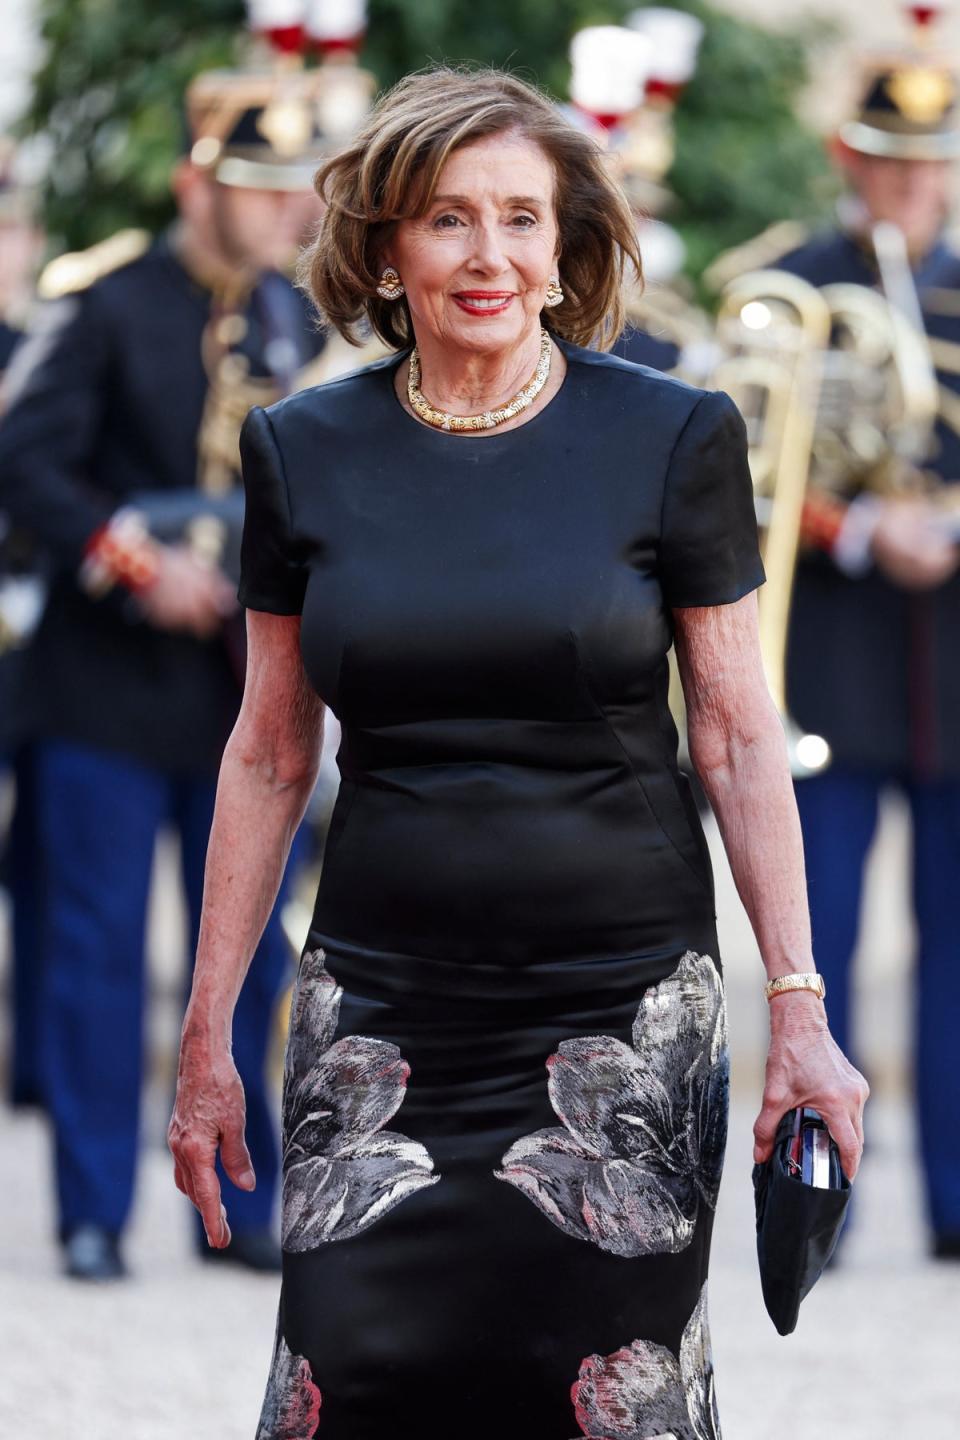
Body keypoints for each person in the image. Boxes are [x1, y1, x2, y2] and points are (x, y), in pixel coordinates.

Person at [168, 67, 868, 1439]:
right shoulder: (299, 450)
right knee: (347, 1385)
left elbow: (734, 729)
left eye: (522, 220)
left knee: (603, 1398)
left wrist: (801, 1005)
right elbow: (264, 754)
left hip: (617, 1024)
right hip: (380, 1015)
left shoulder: (673, 434)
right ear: (383, 247)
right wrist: (208, 1032)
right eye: (447, 220)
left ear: (567, 247)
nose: (489, 256)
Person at [0, 65, 330, 1281]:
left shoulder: (296, 316)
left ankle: (238, 1205)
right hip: (101, 685)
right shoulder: (104, 304)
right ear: (199, 183)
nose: (280, 207)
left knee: (249, 953)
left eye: (288, 184)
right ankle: (93, 1211)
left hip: (243, 686)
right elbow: (23, 462)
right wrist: (137, 564)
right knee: (94, 949)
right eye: (255, 186)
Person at [710, 43, 960, 1259]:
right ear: (846, 158)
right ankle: (823, 1201)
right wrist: (857, 526)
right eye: (892, 161)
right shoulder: (786, 284)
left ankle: (959, 1205)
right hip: (830, 663)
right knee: (819, 947)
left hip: (953, 667)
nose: (915, 186)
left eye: (933, 164)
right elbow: (746, 467)